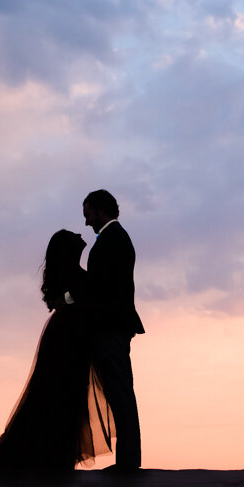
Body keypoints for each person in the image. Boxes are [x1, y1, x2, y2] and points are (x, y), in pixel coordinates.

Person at [0, 230, 113, 470]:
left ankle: (55, 452)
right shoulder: (69, 272)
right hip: (66, 337)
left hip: (71, 335)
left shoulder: (71, 271)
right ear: (67, 247)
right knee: (58, 390)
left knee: (65, 391)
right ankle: (49, 453)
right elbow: (68, 299)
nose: (80, 233)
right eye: (73, 235)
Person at [73, 188, 144, 471]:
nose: (87, 222)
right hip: (113, 325)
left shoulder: (112, 240)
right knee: (119, 392)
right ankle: (128, 461)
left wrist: (70, 296)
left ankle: (129, 464)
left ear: (102, 210)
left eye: (88, 215)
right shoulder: (114, 239)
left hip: (111, 327)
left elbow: (100, 288)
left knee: (120, 392)